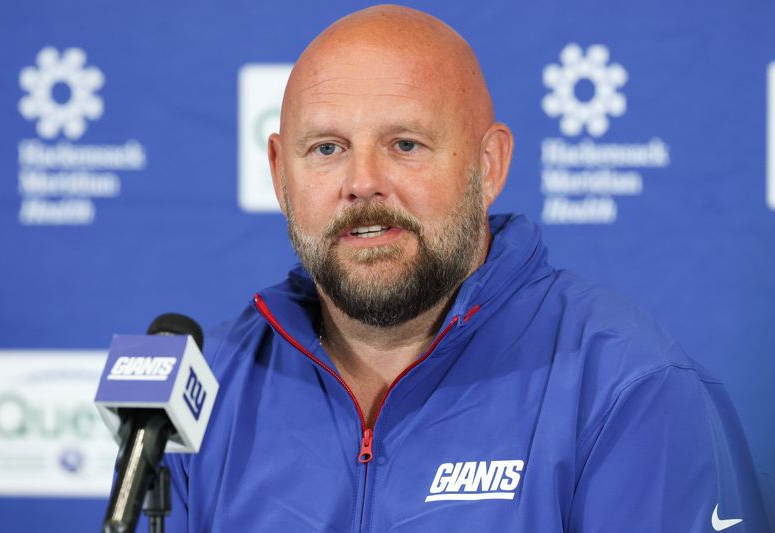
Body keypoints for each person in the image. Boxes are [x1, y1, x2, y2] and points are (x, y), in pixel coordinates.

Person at [163, 5, 769, 532]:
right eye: (327, 148)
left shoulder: (626, 385)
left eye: (405, 144)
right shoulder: (200, 388)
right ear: (279, 173)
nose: (362, 182)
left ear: (489, 165)